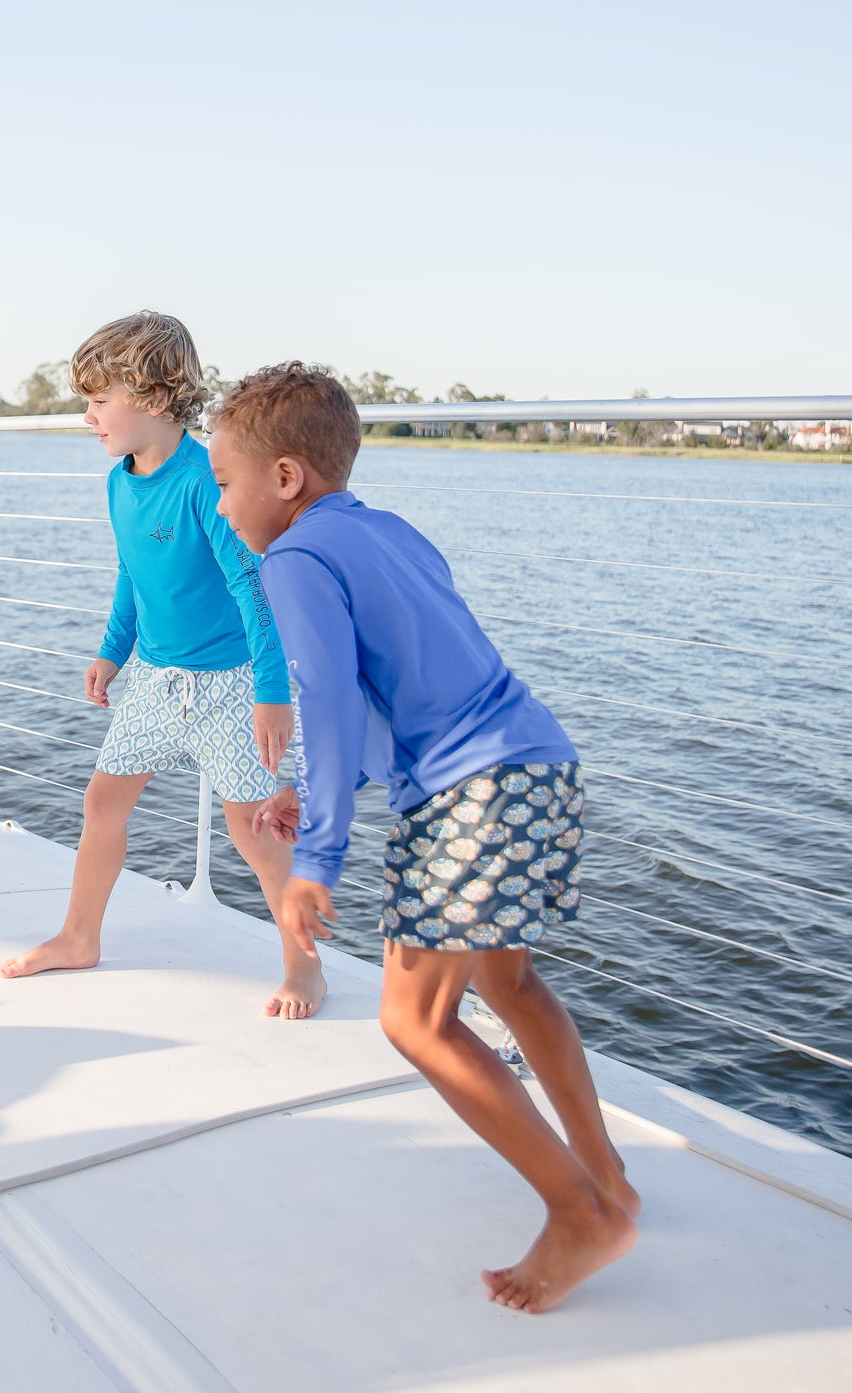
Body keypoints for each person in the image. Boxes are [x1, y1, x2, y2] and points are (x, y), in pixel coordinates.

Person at [208, 362, 639, 1311]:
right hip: (535, 763)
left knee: (414, 1019)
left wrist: (316, 853)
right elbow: (407, 685)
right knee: (506, 982)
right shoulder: (387, 532)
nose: (222, 503)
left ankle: (581, 1213)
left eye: (225, 480)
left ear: (285, 477)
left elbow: (321, 695)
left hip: (470, 795)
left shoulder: (292, 559)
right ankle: (607, 1175)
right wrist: (311, 789)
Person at [0, 311, 326, 1019]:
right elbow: (132, 572)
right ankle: (78, 937)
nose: (88, 417)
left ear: (151, 399)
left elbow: (252, 588)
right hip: (154, 679)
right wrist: (111, 651)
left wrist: (271, 693)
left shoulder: (206, 481)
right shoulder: (120, 482)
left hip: (230, 687)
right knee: (101, 803)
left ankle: (305, 968)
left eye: (97, 401)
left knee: (253, 831)